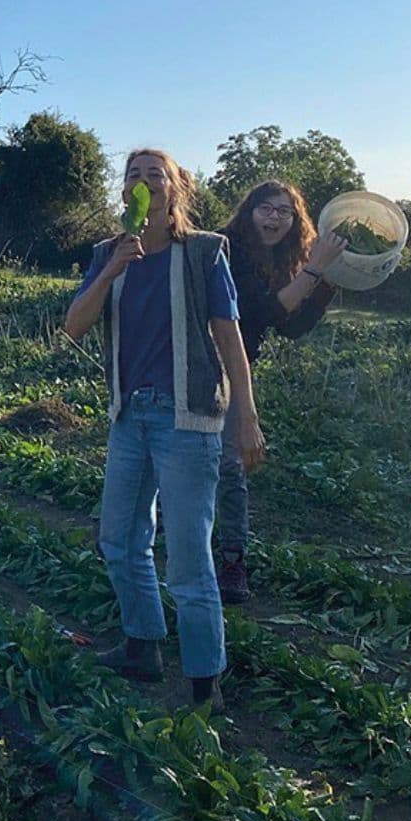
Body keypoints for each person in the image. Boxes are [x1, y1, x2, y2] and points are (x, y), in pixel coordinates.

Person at [64, 149, 265, 710]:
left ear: (175, 190)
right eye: (134, 175)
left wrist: (245, 415)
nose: (144, 183)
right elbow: (74, 327)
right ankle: (143, 646)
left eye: (157, 175)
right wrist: (111, 269)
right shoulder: (108, 253)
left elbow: (229, 338)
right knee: (119, 541)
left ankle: (205, 685)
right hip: (129, 418)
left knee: (188, 558)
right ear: (124, 193)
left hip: (189, 421)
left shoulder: (203, 252)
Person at [213, 180, 347, 602]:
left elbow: (288, 327)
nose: (274, 218)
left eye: (284, 212)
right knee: (199, 459)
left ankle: (232, 560)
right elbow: (262, 310)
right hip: (196, 364)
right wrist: (313, 270)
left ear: (295, 221)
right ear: (248, 212)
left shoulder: (281, 259)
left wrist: (324, 282)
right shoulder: (226, 251)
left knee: (229, 466)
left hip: (238, 370)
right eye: (265, 209)